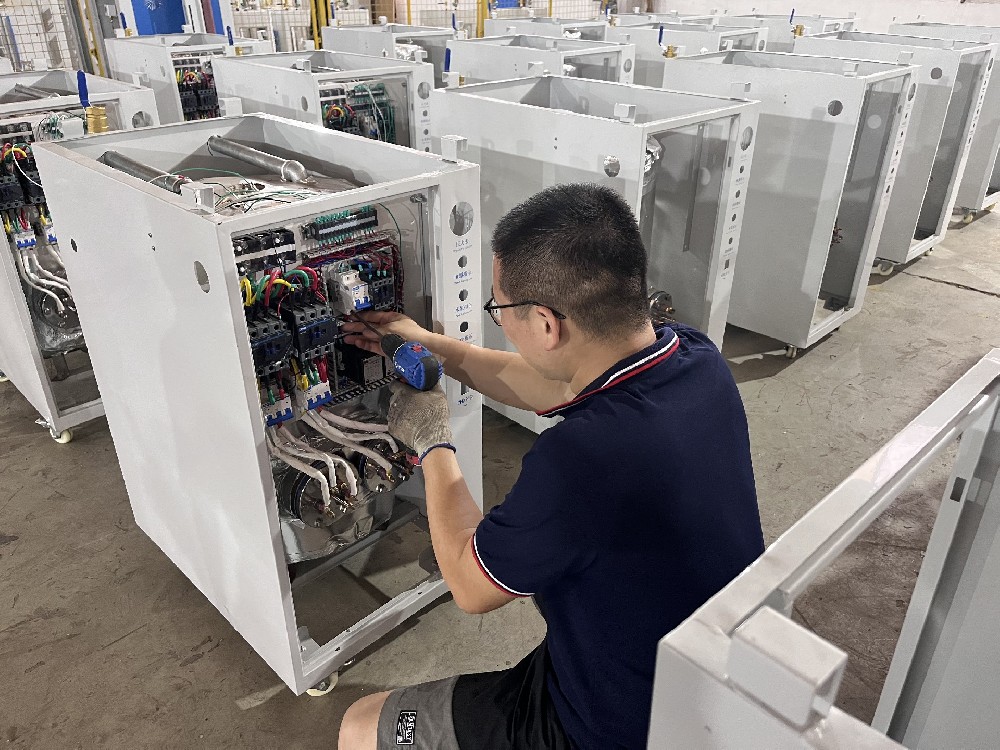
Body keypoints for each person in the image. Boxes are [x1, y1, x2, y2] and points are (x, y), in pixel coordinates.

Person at [338, 183, 764, 750]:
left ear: (545, 323)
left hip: (616, 725)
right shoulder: (695, 358)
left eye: (499, 310)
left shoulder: (583, 458)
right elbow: (551, 383)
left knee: (361, 725)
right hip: (700, 678)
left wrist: (433, 442)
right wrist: (436, 349)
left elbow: (468, 584)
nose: (500, 322)